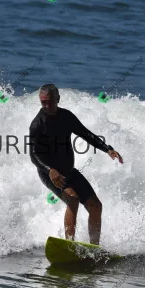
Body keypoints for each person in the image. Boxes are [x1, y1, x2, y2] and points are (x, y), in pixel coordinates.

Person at [29, 84, 123, 245]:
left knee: (96, 206)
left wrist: (107, 148)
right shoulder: (37, 124)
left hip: (69, 171)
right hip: (50, 174)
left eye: (50, 101)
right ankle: (70, 245)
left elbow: (85, 134)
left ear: (58, 99)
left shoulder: (66, 117)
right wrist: (49, 169)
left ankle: (94, 248)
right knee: (72, 199)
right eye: (43, 102)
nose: (47, 106)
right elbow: (33, 155)